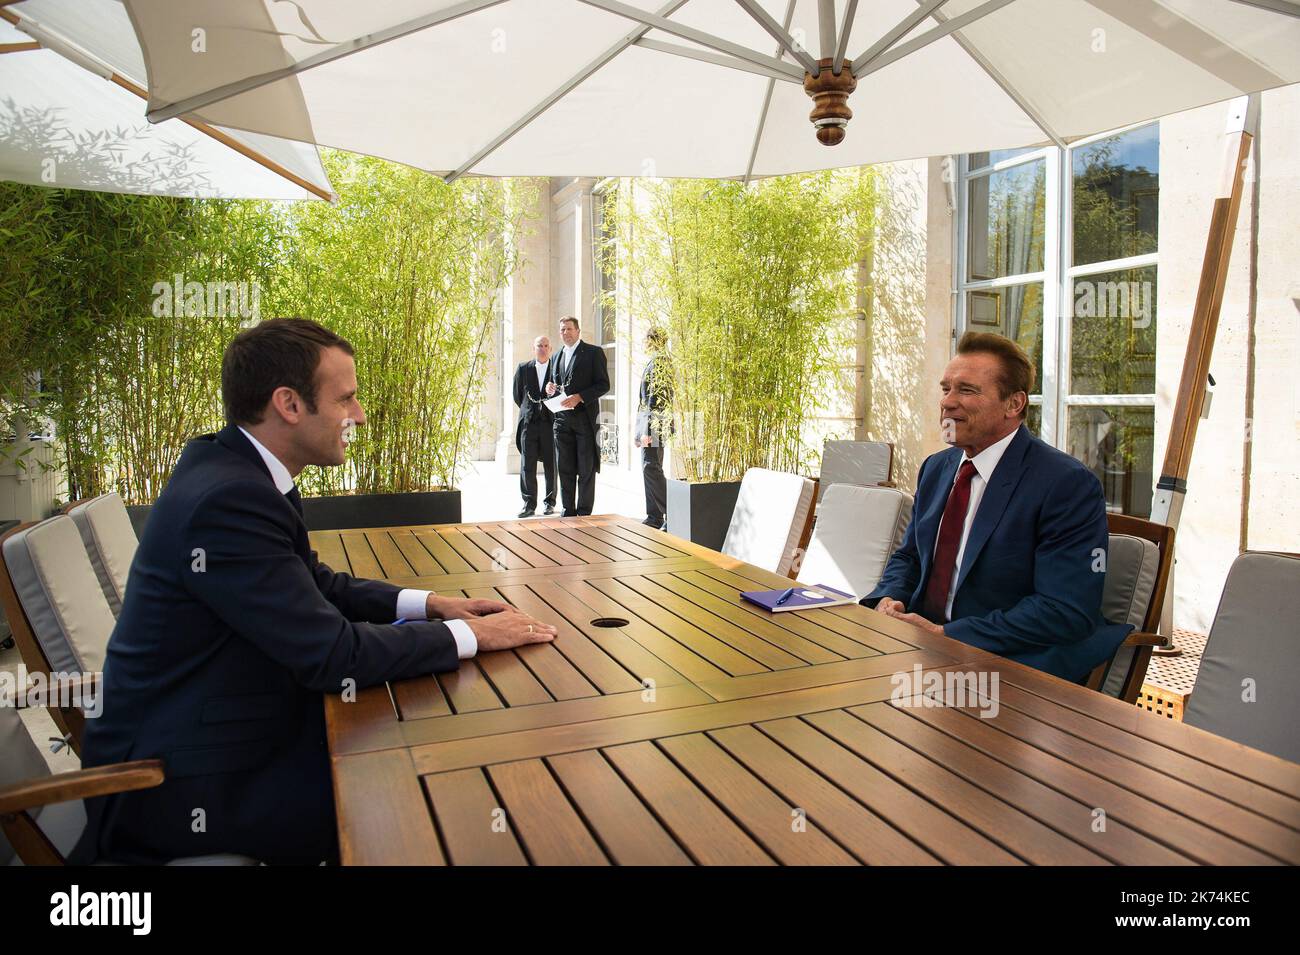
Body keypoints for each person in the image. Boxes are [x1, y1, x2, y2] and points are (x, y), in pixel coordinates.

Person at [71, 318, 557, 865]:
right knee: (431, 806)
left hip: (219, 729)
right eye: (345, 398)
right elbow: (334, 656)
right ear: (289, 404)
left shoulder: (235, 469)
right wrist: (469, 635)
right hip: (178, 782)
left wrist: (429, 604)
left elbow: (311, 581)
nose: (359, 415)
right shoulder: (228, 500)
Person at [861, 331, 1130, 682]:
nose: (948, 403)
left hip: (1005, 663)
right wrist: (889, 599)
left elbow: (1064, 610)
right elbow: (910, 556)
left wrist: (948, 636)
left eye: (967, 390)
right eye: (946, 389)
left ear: (1013, 404)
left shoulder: (1066, 485)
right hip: (919, 650)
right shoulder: (937, 468)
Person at [544, 315, 609, 517]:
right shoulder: (555, 357)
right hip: (561, 421)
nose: (565, 333)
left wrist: (580, 397)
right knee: (565, 468)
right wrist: (549, 388)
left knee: (586, 469)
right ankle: (568, 510)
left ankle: (584, 511)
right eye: (562, 330)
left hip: (584, 420)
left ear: (578, 331)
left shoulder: (593, 353)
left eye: (569, 329)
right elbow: (554, 386)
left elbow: (603, 385)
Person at [512, 334, 556, 517]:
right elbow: (517, 395)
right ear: (534, 348)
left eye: (546, 345)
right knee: (527, 464)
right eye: (539, 345)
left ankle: (549, 503)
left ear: (550, 349)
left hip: (549, 423)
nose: (543, 348)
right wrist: (529, 410)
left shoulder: (557, 369)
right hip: (528, 423)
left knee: (551, 464)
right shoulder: (523, 368)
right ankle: (529, 504)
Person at [633, 327, 671, 530]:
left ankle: (670, 512)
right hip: (651, 424)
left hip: (655, 424)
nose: (644, 343)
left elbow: (655, 401)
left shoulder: (659, 363)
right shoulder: (656, 362)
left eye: (646, 340)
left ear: (652, 341)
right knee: (650, 466)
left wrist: (646, 431)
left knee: (651, 467)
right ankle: (654, 516)